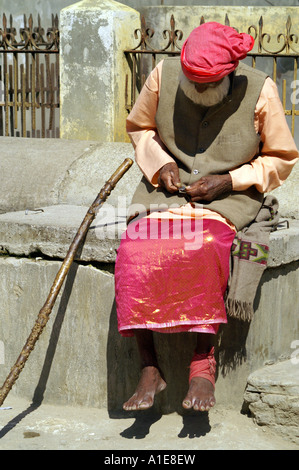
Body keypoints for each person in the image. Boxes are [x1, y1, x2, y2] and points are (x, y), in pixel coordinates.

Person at [114, 22, 298, 412]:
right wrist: (160, 162)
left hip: (230, 197)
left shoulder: (260, 89)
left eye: (205, 85)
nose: (196, 91)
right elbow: (140, 128)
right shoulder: (163, 75)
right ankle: (149, 366)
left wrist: (230, 180)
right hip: (163, 191)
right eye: (191, 82)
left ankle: (203, 361)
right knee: (133, 250)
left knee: (206, 246)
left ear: (229, 75)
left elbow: (281, 159)